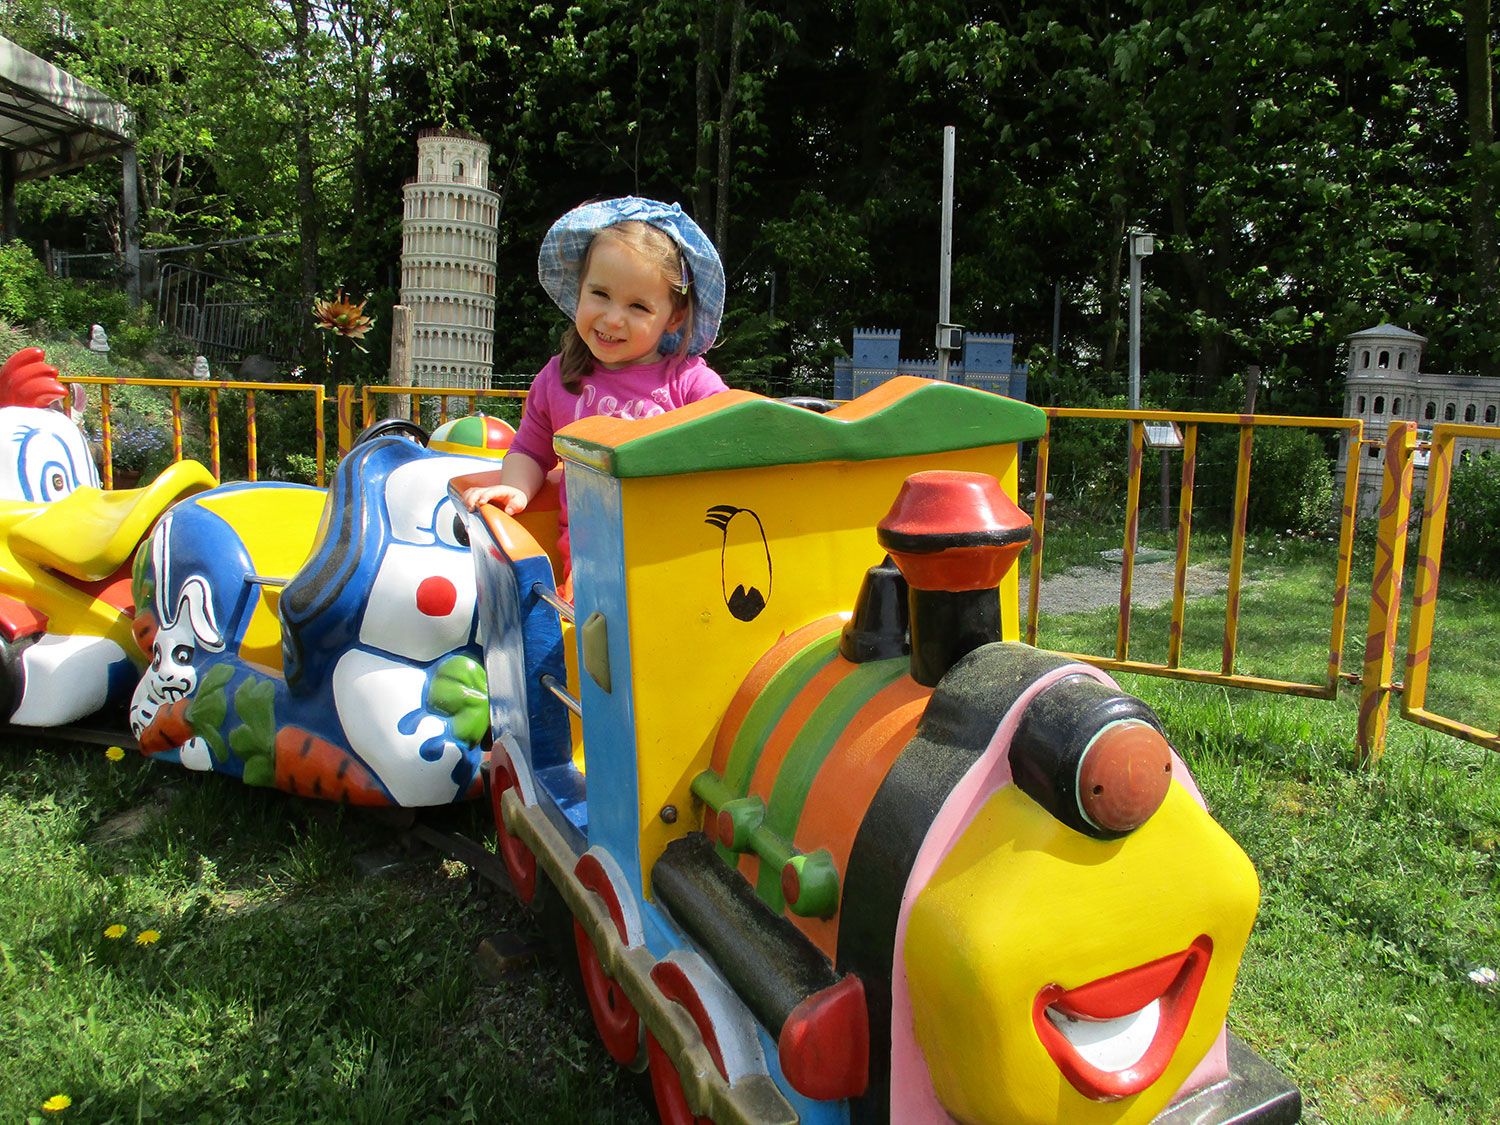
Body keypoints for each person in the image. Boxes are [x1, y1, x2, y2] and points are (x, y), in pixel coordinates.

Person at [462, 197, 728, 584]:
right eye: (600, 294)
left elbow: (734, 429)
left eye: (638, 306)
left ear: (674, 317)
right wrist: (515, 489)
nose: (613, 317)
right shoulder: (558, 380)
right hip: (592, 575)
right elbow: (529, 451)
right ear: (579, 290)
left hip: (683, 568)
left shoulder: (688, 381)